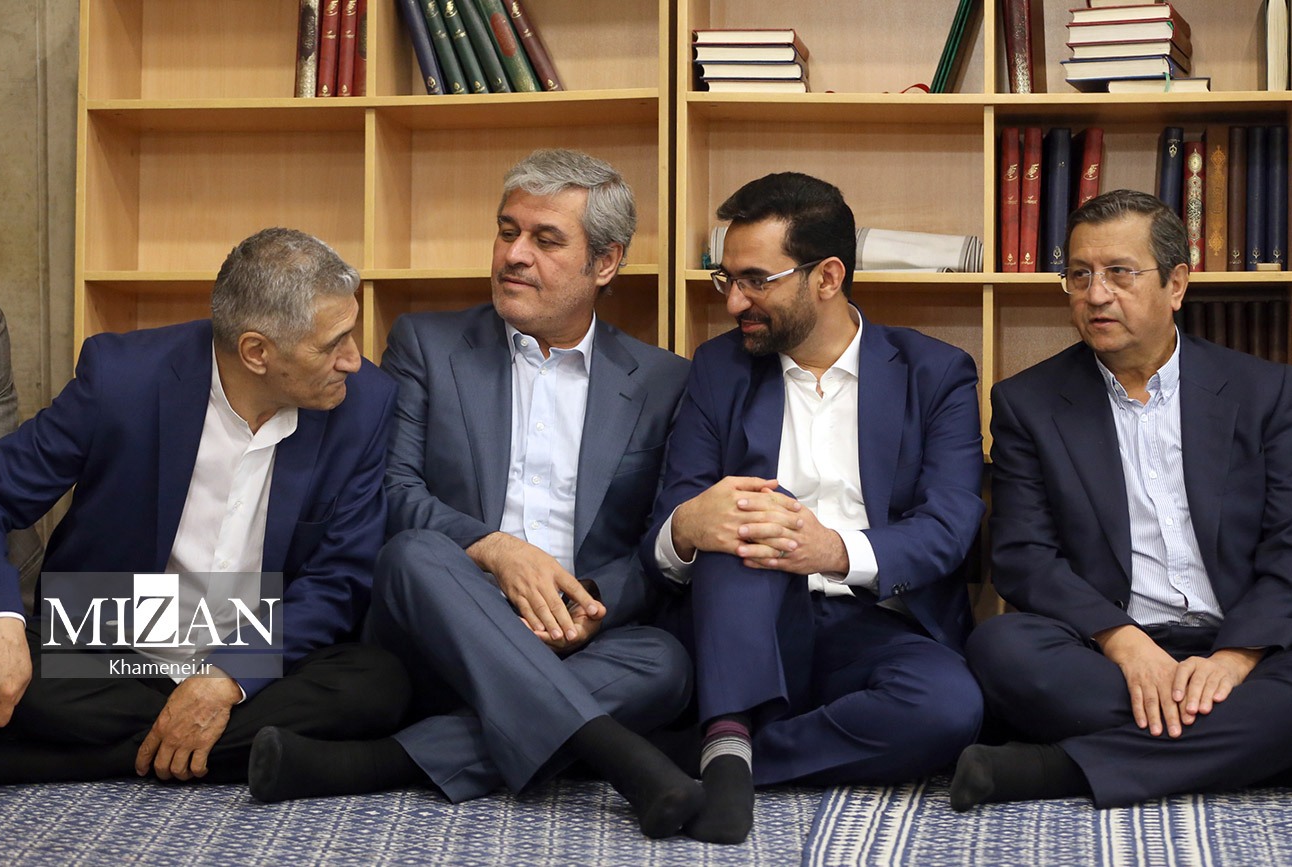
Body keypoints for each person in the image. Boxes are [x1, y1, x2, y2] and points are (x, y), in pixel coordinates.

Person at [248, 149, 701, 838]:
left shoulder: (664, 381)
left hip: (572, 634)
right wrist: (495, 549)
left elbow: (655, 543)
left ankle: (374, 763)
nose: (515, 254)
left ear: (605, 263)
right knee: (415, 551)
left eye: (546, 239)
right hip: (439, 623)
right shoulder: (427, 345)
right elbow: (393, 490)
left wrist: (586, 605)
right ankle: (621, 756)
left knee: (664, 662)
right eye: (507, 231)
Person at [0, 227, 408, 785]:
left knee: (377, 683)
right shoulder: (122, 377)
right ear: (256, 352)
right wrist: (0, 621)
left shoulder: (364, 403)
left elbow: (339, 578)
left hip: (260, 644)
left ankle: (71, 760)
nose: (354, 360)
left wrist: (226, 677)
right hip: (114, 639)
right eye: (333, 344)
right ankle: (255, 751)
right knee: (18, 668)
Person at [641, 172, 985, 844]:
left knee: (948, 709)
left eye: (756, 280)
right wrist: (687, 526)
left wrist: (831, 549)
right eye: (726, 279)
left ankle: (718, 756)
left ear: (827, 277)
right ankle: (730, 755)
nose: (733, 300)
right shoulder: (717, 368)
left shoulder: (935, 373)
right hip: (746, 617)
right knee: (750, 515)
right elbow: (667, 523)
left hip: (876, 622)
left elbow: (948, 528)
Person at [953, 189, 1292, 811]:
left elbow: (1288, 546)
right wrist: (1125, 643)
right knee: (1001, 650)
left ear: (1176, 284)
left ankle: (1058, 770)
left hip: (1244, 638)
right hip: (1104, 648)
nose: (1096, 294)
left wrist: (1236, 657)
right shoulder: (1029, 403)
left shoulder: (1265, 392)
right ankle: (1242, 743)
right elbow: (1024, 557)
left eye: (1119, 273)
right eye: (1079, 275)